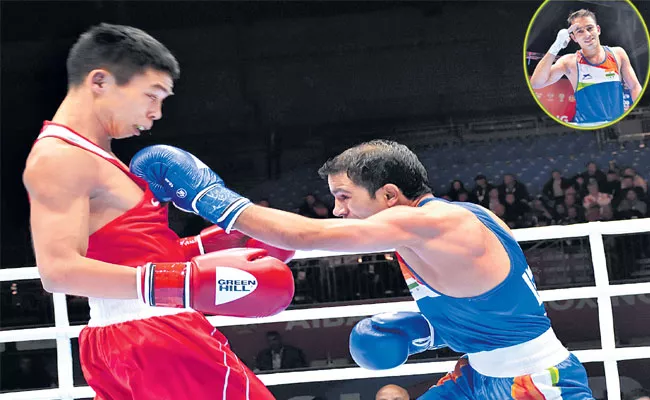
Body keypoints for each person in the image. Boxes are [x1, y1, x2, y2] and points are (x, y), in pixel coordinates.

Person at [129, 139, 595, 399]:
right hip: (477, 376)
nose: (337, 210)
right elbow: (493, 302)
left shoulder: (435, 223)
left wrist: (209, 197)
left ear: (390, 196)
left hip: (538, 383)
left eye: (345, 197)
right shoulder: (428, 226)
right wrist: (430, 331)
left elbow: (305, 236)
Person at [22, 23, 296, 400]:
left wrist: (204, 249)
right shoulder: (61, 157)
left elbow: (128, 253)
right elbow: (59, 271)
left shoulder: (94, 156)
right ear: (99, 81)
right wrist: (184, 283)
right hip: (154, 335)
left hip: (132, 339)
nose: (157, 113)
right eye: (152, 95)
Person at [530, 9, 642, 124]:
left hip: (616, 125)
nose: (587, 35)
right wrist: (556, 46)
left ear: (598, 29)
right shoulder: (569, 62)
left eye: (589, 28)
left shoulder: (618, 54)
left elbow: (635, 87)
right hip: (587, 127)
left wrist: (634, 115)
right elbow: (536, 83)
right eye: (580, 31)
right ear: (574, 38)